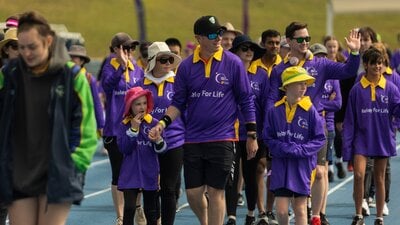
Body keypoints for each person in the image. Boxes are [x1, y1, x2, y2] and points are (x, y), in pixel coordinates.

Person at [150, 15, 258, 225]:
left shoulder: (233, 63)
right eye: (212, 34)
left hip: (223, 137)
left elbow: (246, 100)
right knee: (193, 193)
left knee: (216, 191)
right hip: (193, 139)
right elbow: (178, 102)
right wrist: (162, 123)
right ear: (198, 38)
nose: (218, 38)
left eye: (219, 33)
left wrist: (252, 134)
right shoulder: (187, 67)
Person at [0, 11, 97, 225]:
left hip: (56, 171)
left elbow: (86, 128)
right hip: (19, 172)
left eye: (32, 47)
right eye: (22, 47)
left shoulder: (71, 76)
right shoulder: (10, 74)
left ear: (48, 40)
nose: (26, 53)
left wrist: (72, 166)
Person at [268, 21, 360, 225]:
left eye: (308, 39)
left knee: (319, 172)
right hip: (288, 128)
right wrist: (270, 124)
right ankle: (298, 209)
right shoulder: (281, 68)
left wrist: (354, 54)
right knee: (290, 177)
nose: (305, 42)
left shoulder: (320, 64)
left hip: (315, 125)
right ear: (289, 41)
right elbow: (272, 98)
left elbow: (348, 72)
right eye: (300, 39)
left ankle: (316, 216)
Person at [343, 46, 400, 225]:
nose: (377, 67)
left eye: (380, 63)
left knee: (379, 177)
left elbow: (398, 112)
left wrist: (395, 122)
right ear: (365, 65)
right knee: (359, 176)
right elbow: (350, 121)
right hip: (362, 139)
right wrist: (347, 148)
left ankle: (379, 217)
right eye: (373, 63)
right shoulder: (356, 90)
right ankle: (359, 214)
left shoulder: (390, 88)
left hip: (382, 139)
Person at [263, 66, 326, 225]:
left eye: (305, 83)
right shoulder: (274, 111)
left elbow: (319, 138)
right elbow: (267, 137)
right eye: (299, 83)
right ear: (287, 86)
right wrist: (281, 148)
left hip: (301, 166)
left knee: (300, 209)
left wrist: (301, 150)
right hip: (281, 165)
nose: (304, 87)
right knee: (282, 210)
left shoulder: (310, 110)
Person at [134, 41, 184, 225]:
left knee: (169, 189)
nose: (168, 63)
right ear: (153, 61)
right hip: (147, 143)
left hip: (174, 141)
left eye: (170, 59)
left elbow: (185, 112)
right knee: (149, 188)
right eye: (163, 59)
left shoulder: (178, 83)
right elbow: (131, 112)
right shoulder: (140, 85)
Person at [101, 32, 143, 225]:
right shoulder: (110, 67)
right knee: (118, 173)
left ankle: (138, 208)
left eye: (132, 48)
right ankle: (120, 216)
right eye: (126, 48)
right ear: (116, 50)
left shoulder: (137, 69)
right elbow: (107, 87)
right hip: (114, 132)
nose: (130, 52)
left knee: (137, 172)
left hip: (135, 128)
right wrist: (121, 68)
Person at [228, 35, 269, 225]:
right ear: (235, 52)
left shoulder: (261, 75)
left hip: (253, 134)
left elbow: (265, 104)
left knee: (251, 175)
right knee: (232, 176)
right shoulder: (228, 73)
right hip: (230, 133)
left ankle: (251, 213)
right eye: (244, 48)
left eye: (252, 49)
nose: (249, 52)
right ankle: (231, 216)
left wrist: (261, 133)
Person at [117, 86, 167, 225]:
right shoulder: (124, 124)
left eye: (144, 103)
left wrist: (157, 140)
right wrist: (133, 129)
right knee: (129, 208)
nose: (142, 107)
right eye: (138, 104)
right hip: (130, 172)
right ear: (130, 106)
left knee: (151, 211)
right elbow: (124, 149)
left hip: (149, 171)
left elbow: (162, 150)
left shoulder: (155, 123)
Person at [309, 43, 342, 225]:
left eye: (323, 55)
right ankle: (308, 207)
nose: (321, 58)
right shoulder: (309, 75)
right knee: (310, 170)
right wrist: (319, 106)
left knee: (322, 171)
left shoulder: (332, 77)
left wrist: (319, 106)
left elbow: (337, 103)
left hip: (327, 127)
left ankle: (321, 212)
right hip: (310, 124)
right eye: (317, 55)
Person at [322, 35, 348, 181]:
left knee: (338, 137)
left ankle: (338, 160)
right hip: (326, 108)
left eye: (334, 46)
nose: (332, 49)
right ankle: (330, 167)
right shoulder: (321, 64)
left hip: (339, 106)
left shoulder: (343, 63)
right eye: (329, 46)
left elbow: (345, 88)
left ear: (338, 48)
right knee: (330, 137)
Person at [68, 44, 105, 139]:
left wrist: (101, 125)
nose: (71, 61)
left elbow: (96, 102)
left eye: (74, 58)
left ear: (82, 61)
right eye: (70, 57)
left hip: (83, 123)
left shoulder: (88, 78)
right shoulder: (64, 77)